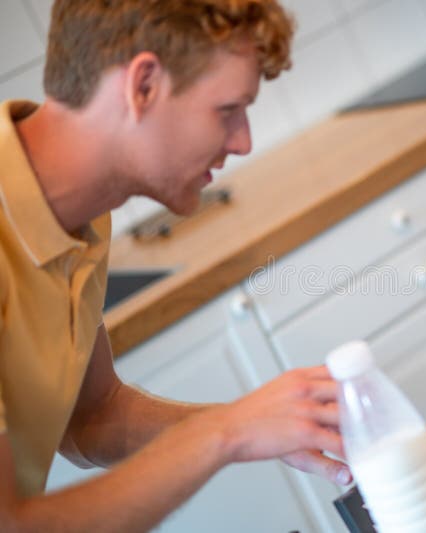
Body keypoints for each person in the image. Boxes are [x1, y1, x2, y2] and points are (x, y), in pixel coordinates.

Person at [0, 1, 352, 530]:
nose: (243, 141)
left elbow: (92, 418)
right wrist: (226, 434)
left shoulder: (80, 213)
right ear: (142, 85)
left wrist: (262, 425)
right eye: (227, 110)